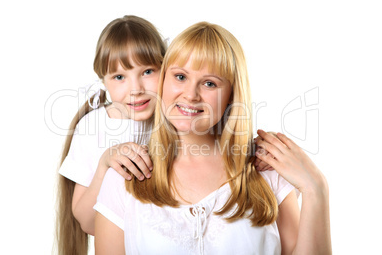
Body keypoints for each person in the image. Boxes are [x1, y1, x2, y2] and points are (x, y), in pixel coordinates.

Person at [94, 22, 331, 254]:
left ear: (231, 95)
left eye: (209, 83)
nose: (190, 94)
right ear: (163, 81)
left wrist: (316, 188)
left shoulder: (268, 173)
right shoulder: (125, 175)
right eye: (180, 77)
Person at [56, 15, 167, 255]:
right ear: (103, 80)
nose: (136, 89)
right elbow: (86, 222)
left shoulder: (175, 120)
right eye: (119, 77)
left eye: (147, 71)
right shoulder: (93, 128)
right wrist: (105, 164)